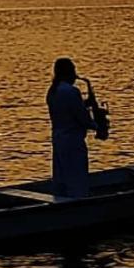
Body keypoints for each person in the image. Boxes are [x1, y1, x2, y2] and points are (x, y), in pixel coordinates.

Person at [46, 57, 99, 197]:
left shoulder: (53, 91)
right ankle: (79, 202)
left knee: (61, 176)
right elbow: (82, 117)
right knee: (77, 177)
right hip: (73, 141)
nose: (76, 75)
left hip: (58, 139)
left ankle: (60, 202)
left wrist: (86, 103)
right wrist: (97, 125)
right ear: (68, 72)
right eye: (73, 70)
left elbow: (67, 110)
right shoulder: (71, 91)